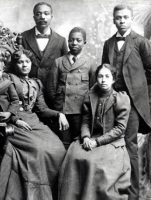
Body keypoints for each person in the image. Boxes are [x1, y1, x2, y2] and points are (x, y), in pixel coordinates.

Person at [0, 49, 69, 200]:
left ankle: (51, 193)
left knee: (58, 148)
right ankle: (34, 194)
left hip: (34, 121)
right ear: (15, 64)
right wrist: (14, 119)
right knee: (38, 149)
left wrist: (59, 114)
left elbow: (42, 109)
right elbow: (0, 104)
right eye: (20, 62)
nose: (24, 65)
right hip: (14, 121)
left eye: (27, 62)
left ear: (31, 64)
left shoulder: (36, 83)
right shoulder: (8, 78)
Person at [101, 4, 151, 199]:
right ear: (113, 19)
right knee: (111, 142)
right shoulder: (108, 44)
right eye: (118, 17)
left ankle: (133, 193)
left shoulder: (141, 42)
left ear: (131, 19)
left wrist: (136, 87)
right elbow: (104, 71)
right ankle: (113, 189)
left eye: (125, 17)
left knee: (130, 145)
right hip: (111, 100)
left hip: (132, 103)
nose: (122, 21)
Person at [58, 63, 131, 200]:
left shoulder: (120, 98)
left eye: (107, 76)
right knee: (74, 155)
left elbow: (120, 129)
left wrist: (97, 142)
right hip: (91, 137)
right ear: (96, 78)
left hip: (111, 141)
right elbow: (85, 121)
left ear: (113, 79)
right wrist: (85, 137)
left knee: (95, 163)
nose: (103, 80)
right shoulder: (91, 96)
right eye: (100, 76)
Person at [47, 27, 96, 148]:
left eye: (78, 40)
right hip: (62, 111)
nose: (74, 43)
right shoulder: (58, 62)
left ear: (84, 42)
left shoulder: (90, 63)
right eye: (71, 40)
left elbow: (93, 90)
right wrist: (58, 110)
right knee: (62, 145)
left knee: (78, 145)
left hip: (80, 112)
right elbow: (51, 89)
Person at [21, 2, 68, 107]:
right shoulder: (23, 37)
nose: (42, 16)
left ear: (51, 17)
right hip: (29, 91)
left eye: (46, 13)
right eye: (38, 14)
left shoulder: (61, 40)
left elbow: (65, 69)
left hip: (53, 91)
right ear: (34, 17)